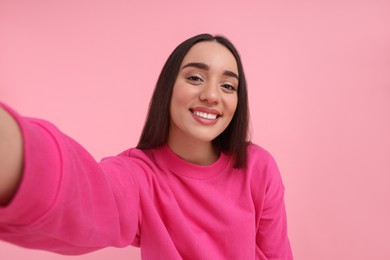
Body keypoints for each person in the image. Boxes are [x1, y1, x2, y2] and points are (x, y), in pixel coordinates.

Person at [0, 33, 293, 259]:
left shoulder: (258, 167)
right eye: (195, 78)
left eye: (228, 86)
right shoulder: (139, 176)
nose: (211, 95)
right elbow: (86, 194)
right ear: (168, 88)